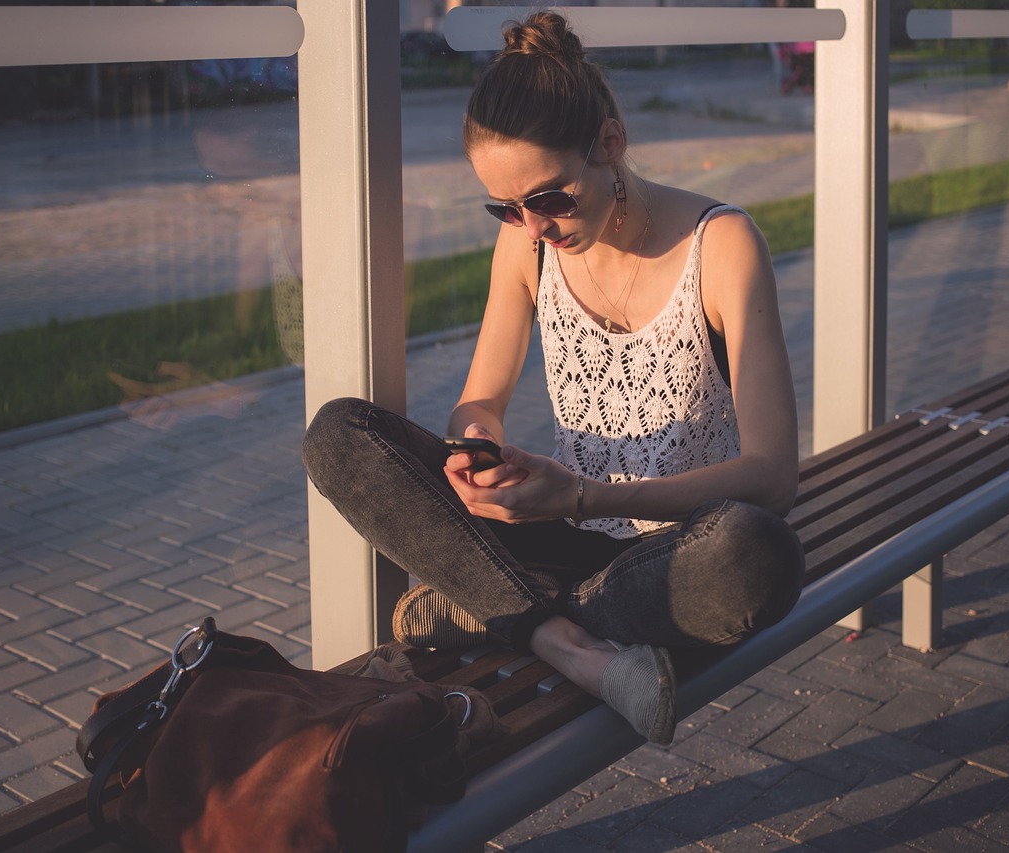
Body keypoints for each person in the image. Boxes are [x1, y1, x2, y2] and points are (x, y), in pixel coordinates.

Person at [303, 11, 804, 746]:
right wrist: (479, 448)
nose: (531, 225)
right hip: (562, 535)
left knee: (757, 554)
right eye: (505, 206)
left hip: (675, 550)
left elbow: (774, 475)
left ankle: (497, 606)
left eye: (548, 198)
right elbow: (481, 399)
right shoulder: (526, 248)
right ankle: (564, 640)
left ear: (609, 144)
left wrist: (579, 495)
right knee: (339, 435)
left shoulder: (721, 244)